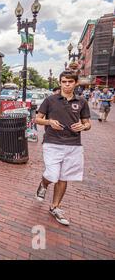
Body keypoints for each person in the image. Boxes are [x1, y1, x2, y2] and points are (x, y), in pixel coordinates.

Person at [35, 71, 91, 226]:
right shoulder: (50, 100)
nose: (67, 84)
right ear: (60, 83)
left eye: (70, 82)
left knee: (63, 177)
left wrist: (84, 126)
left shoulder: (81, 102)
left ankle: (55, 207)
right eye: (64, 81)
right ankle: (43, 184)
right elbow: (37, 119)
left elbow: (88, 123)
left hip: (73, 144)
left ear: (76, 83)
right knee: (52, 174)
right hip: (52, 142)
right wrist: (49, 122)